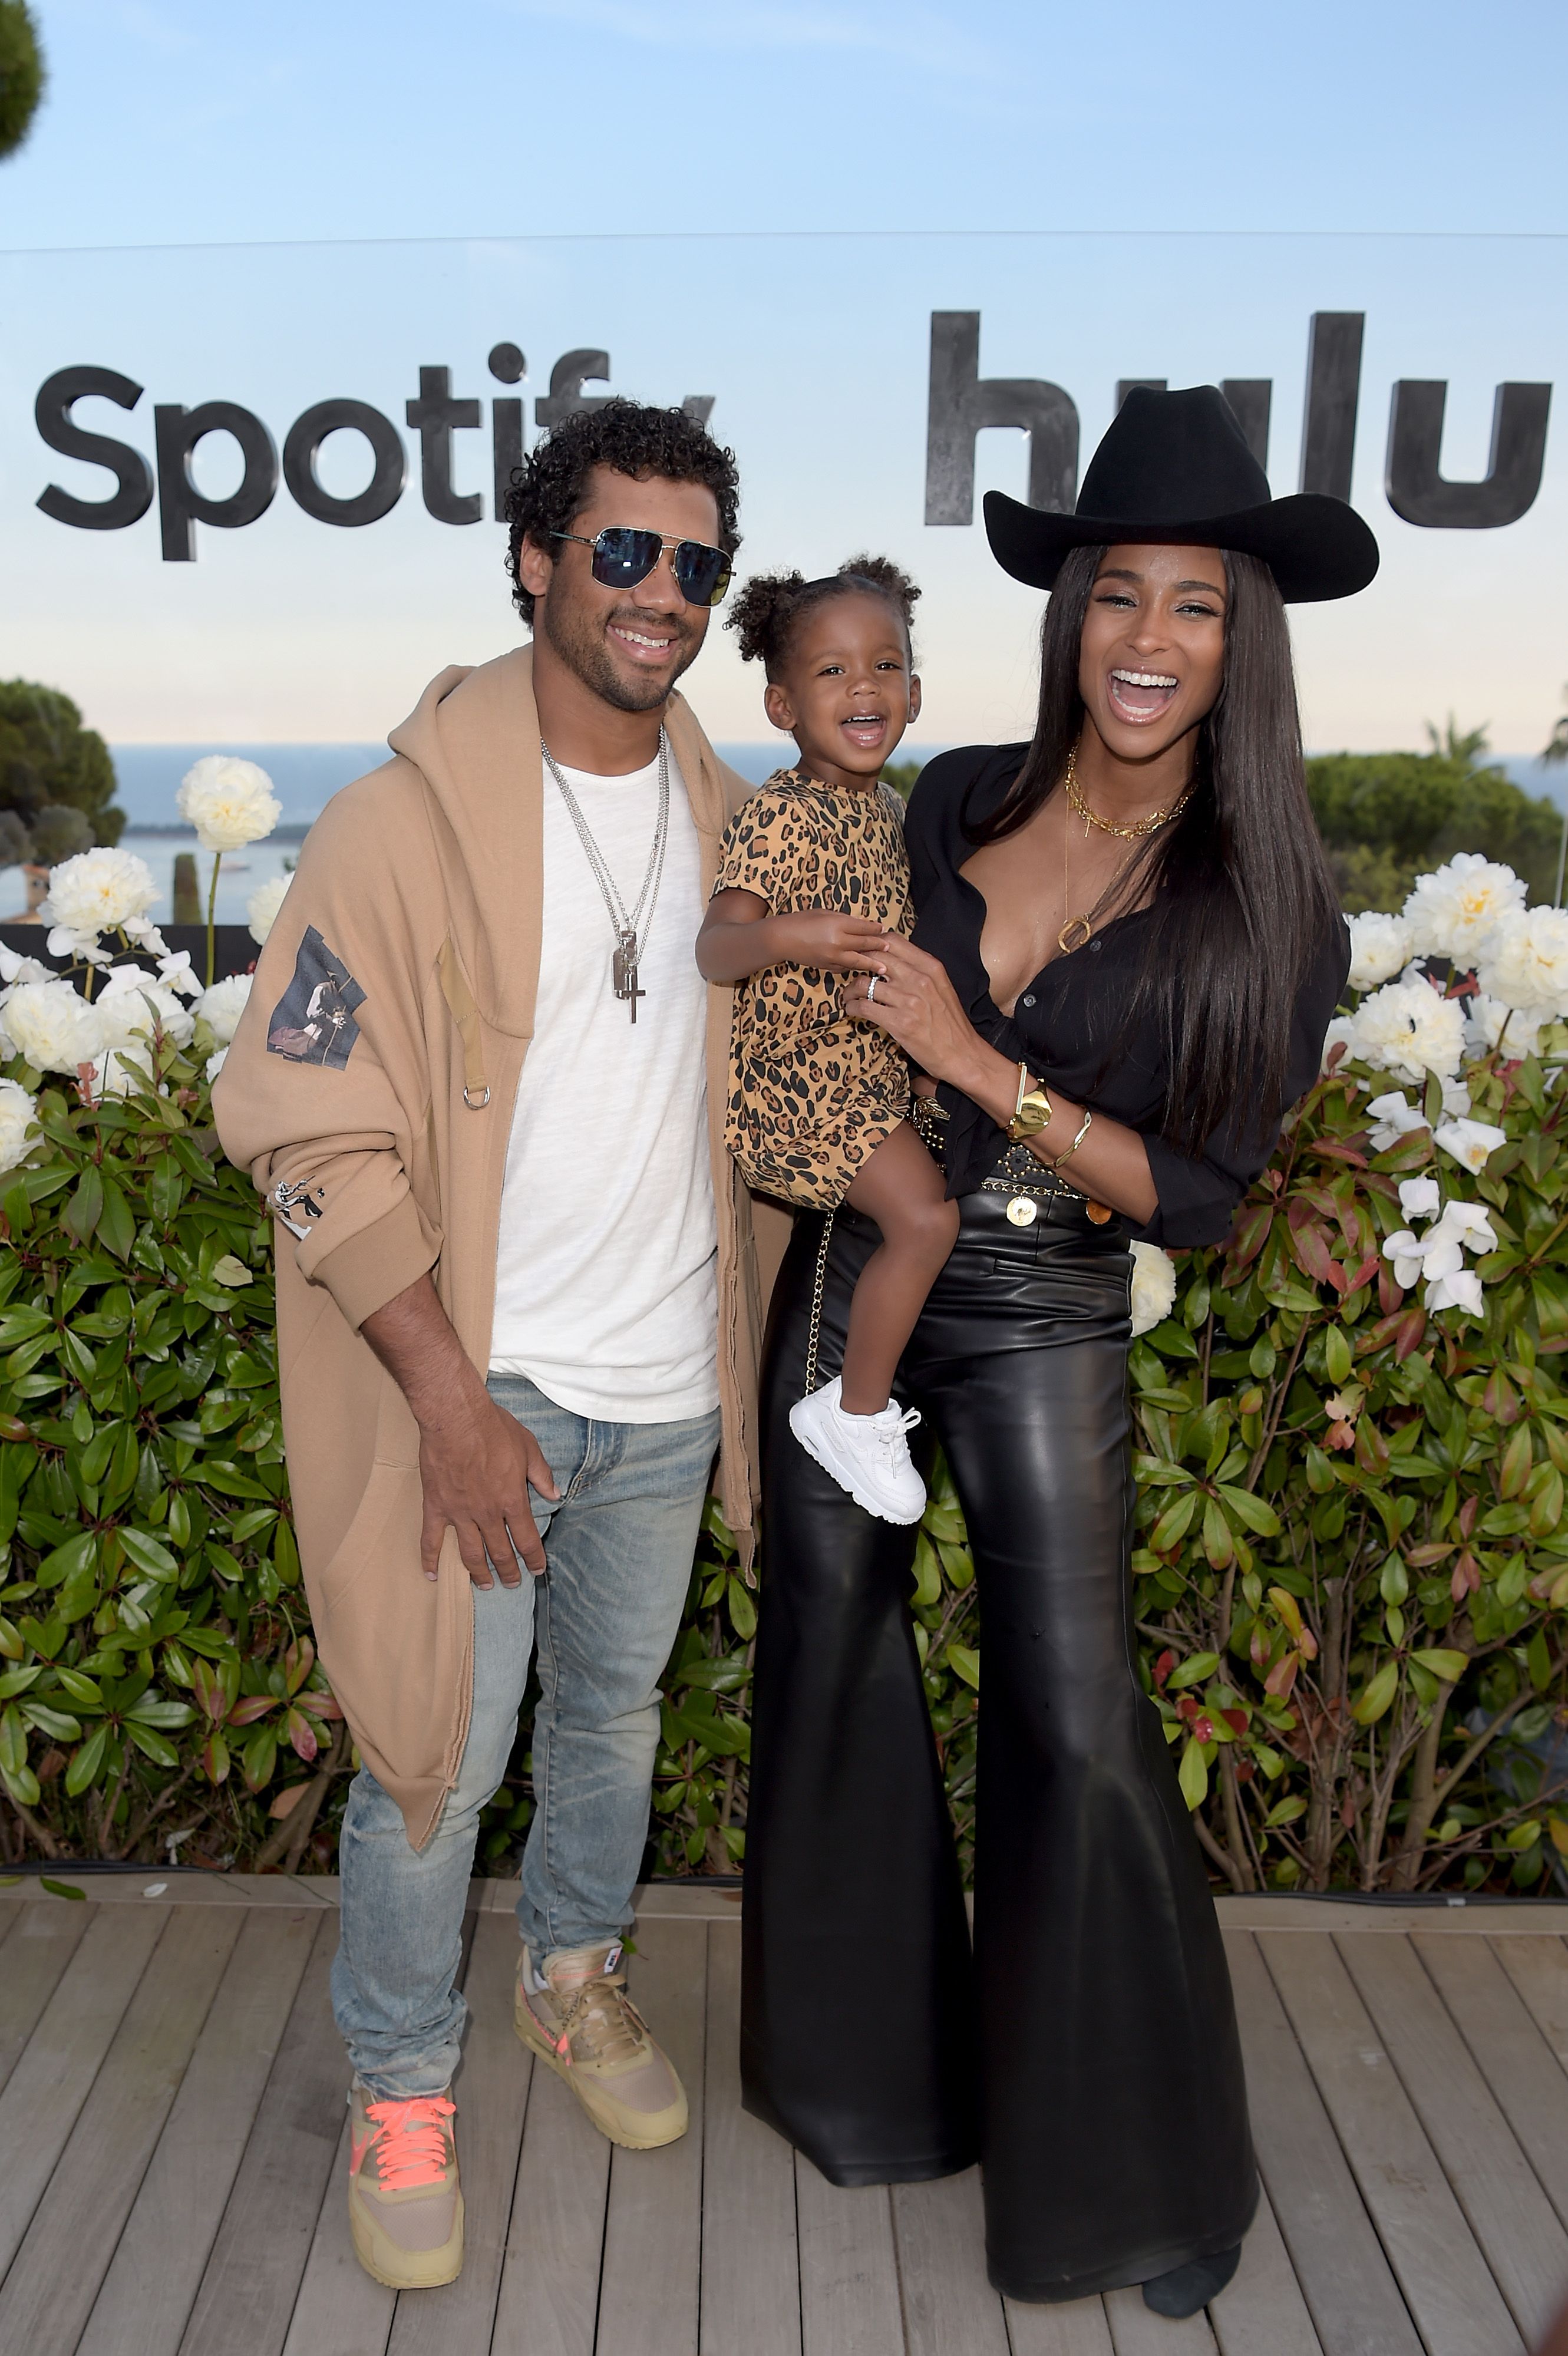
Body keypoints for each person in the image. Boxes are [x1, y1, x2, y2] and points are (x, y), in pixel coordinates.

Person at [740, 387, 1377, 2316]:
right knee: (829, 1656)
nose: (1149, 640)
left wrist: (977, 1060)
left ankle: (1131, 2182)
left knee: (1080, 1713)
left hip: (1036, 1299)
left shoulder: (1272, 908)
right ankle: (864, 2086)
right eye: (1120, 594)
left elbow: (1192, 1195)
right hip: (854, 1262)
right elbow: (800, 984)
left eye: (1195, 604)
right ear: (1070, 612)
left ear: (1239, 640)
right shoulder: (952, 797)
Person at [214, 398, 791, 2291]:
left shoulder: (727, 816)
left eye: (692, 562)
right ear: (535, 562)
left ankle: (567, 1973)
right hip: (489, 1383)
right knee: (432, 1760)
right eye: (620, 549)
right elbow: (297, 1119)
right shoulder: (397, 821)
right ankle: (397, 2074)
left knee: (611, 1724)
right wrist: (452, 1404)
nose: (659, 591)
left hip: (664, 1385)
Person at [696, 557, 956, 1524]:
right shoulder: (779, 816)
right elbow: (715, 948)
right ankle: (852, 1410)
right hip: (791, 1088)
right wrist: (785, 935)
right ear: (781, 704)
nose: (864, 689)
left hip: (866, 1074)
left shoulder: (892, 815)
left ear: (915, 692)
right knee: (925, 1220)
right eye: (832, 672)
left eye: (884, 666)